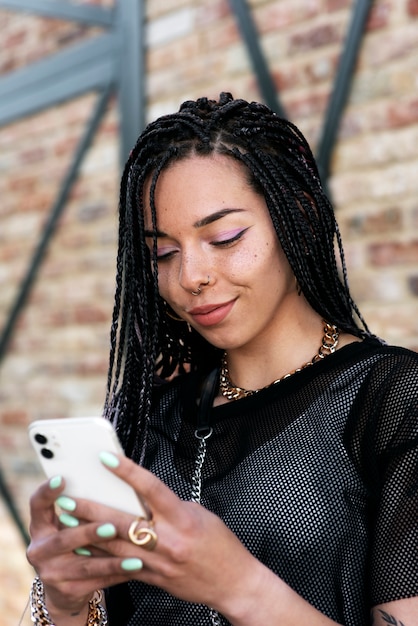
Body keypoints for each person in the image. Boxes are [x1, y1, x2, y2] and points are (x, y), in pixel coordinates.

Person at [26, 93, 418, 626]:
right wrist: (64, 602)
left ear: (295, 217)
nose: (190, 276)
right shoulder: (145, 416)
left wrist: (240, 587)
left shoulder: (391, 400)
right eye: (162, 252)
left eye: (224, 237)